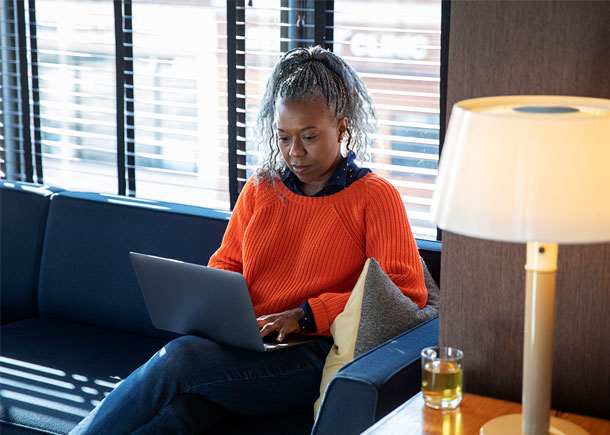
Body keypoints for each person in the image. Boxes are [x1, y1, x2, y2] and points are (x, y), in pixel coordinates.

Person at [69, 46, 427, 434]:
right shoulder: (261, 189)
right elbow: (226, 264)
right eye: (284, 138)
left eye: (309, 137)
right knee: (182, 414)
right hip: (250, 347)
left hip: (313, 353)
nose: (295, 152)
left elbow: (405, 296)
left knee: (179, 359)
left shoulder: (375, 196)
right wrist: (214, 308)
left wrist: (305, 314)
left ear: (341, 128)